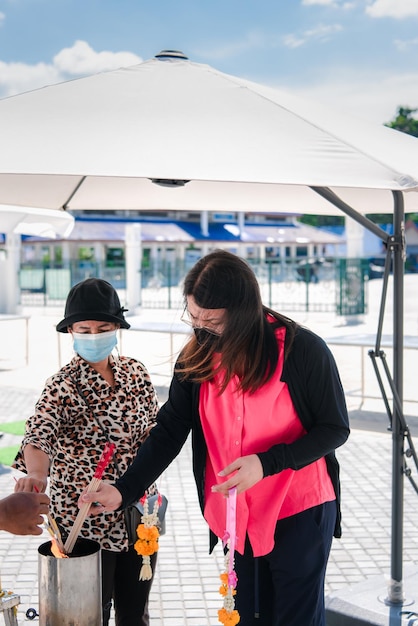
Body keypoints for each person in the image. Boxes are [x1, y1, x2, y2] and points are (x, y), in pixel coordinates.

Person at [80, 251, 350, 626]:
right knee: (246, 616)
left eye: (212, 320)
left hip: (299, 510)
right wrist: (124, 489)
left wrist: (266, 463)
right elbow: (171, 427)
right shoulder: (198, 356)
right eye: (193, 317)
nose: (201, 329)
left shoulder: (302, 350)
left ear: (241, 311)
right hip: (237, 514)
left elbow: (335, 428)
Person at [13, 278, 159, 626]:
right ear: (71, 332)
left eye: (103, 327)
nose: (94, 335)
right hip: (84, 521)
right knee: (87, 615)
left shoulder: (137, 374)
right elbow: (38, 434)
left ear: (117, 329)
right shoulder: (61, 385)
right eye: (85, 329)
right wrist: (36, 474)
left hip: (138, 515)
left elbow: (157, 435)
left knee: (135, 612)